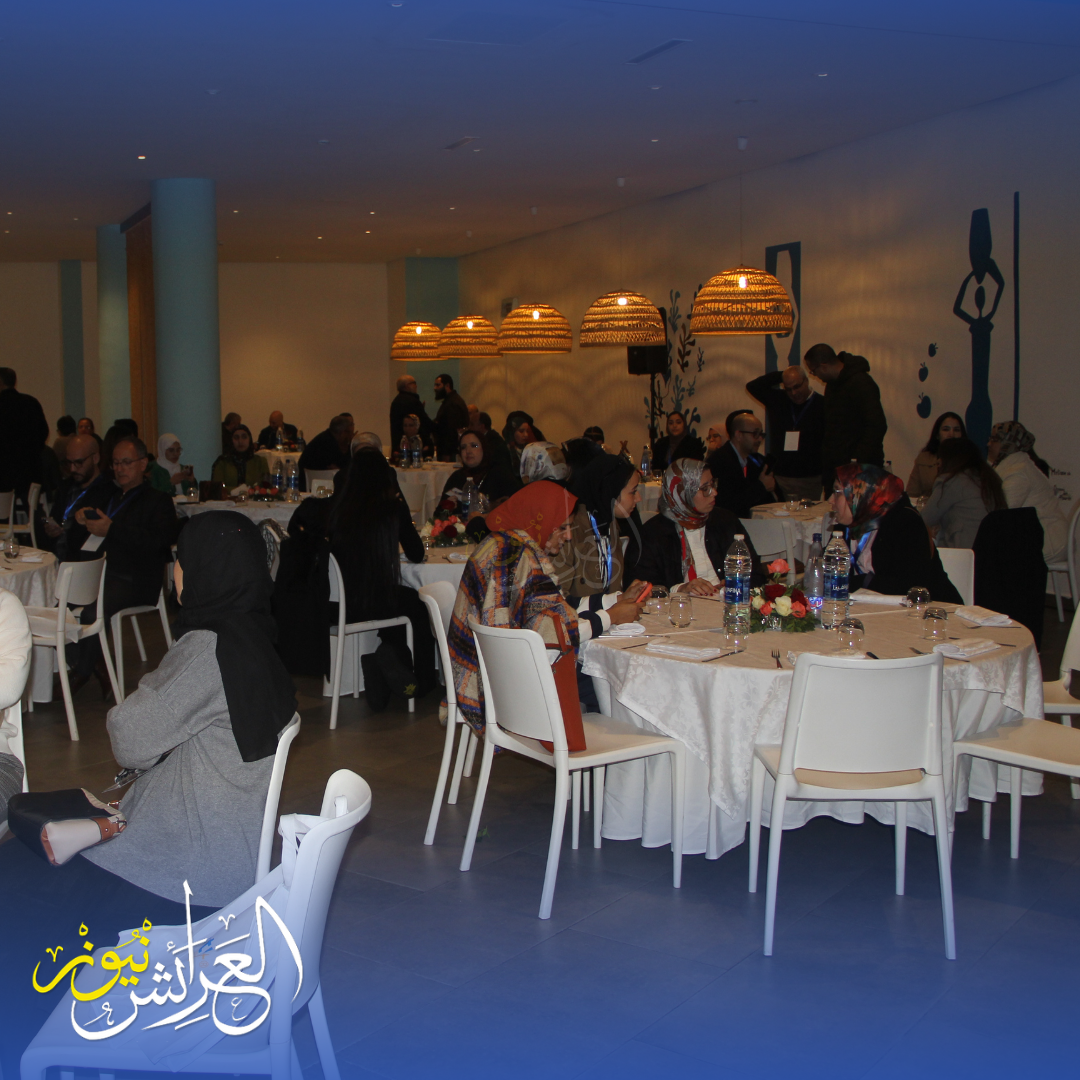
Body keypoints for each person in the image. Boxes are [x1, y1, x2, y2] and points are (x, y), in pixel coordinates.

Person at [81, 509, 297, 904]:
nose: (175, 569)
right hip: (230, 854)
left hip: (182, 869)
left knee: (25, 851)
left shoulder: (209, 649)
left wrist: (154, 684)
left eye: (180, 559)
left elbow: (128, 740)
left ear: (202, 569)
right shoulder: (255, 633)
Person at [447, 481, 580, 733]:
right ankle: (573, 744)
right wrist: (607, 618)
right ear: (539, 519)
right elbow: (554, 630)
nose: (569, 536)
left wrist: (607, 605)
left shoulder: (502, 543)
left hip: (476, 665)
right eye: (562, 527)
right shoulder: (521, 557)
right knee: (596, 677)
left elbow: (547, 606)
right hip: (501, 686)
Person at [68, 437, 178, 693]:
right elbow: (81, 542)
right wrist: (81, 520)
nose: (120, 469)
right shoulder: (109, 496)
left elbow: (158, 542)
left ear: (143, 464)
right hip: (103, 574)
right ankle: (95, 663)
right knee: (60, 609)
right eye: (116, 463)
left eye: (126, 462)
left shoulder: (158, 500)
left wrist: (112, 529)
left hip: (138, 578)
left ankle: (81, 673)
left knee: (91, 612)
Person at [329, 448, 436, 706]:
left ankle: (385, 670)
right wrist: (401, 507)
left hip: (338, 604)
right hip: (374, 600)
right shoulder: (391, 509)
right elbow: (417, 553)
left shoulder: (338, 510)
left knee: (399, 603)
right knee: (418, 604)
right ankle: (422, 682)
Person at [831, 463, 960, 601]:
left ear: (860, 494)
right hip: (872, 606)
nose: (830, 500)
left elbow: (909, 585)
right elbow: (831, 572)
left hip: (929, 607)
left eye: (837, 492)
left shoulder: (905, 522)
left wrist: (862, 581)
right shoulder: (845, 526)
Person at [634, 459, 765, 595]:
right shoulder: (653, 533)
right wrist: (680, 589)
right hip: (679, 605)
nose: (714, 492)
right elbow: (641, 588)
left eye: (713, 484)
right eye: (705, 489)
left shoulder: (725, 521)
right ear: (683, 492)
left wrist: (736, 583)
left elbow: (757, 574)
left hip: (726, 601)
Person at [553, 453, 648, 633]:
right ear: (610, 490)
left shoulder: (609, 523)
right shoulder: (569, 531)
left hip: (601, 625)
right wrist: (612, 612)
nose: (638, 499)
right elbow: (558, 605)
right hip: (577, 630)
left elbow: (607, 585)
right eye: (633, 491)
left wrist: (621, 598)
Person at [804, 343, 887, 491]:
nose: (814, 375)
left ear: (824, 366)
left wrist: (858, 460)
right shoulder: (832, 386)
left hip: (859, 469)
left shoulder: (861, 383)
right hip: (837, 466)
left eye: (813, 371)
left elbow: (876, 425)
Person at [988, 420, 1068, 563]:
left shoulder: (1018, 472)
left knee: (992, 552)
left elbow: (1000, 515)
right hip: (1044, 536)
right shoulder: (1018, 466)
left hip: (1049, 540)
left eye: (994, 439)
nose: (988, 444)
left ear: (1007, 443)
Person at [745, 365, 825, 502]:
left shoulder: (822, 404)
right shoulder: (778, 399)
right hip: (780, 475)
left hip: (810, 477)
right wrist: (783, 375)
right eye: (788, 389)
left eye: (797, 386)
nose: (794, 393)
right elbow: (753, 386)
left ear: (806, 381)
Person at [920, 436, 1005, 549]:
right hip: (991, 550)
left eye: (941, 457)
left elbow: (924, 520)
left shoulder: (952, 482)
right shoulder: (988, 480)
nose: (938, 461)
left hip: (962, 551)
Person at [41, 433, 108, 559]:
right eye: (69, 462)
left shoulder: (107, 491)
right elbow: (55, 518)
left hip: (82, 560)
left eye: (78, 462)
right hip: (55, 556)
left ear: (95, 458)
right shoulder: (66, 487)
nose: (72, 469)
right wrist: (50, 530)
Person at [706, 410, 778, 518]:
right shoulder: (720, 461)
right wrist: (762, 487)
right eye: (755, 434)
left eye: (761, 434)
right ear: (739, 435)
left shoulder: (751, 461)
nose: (760, 439)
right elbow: (726, 505)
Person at [439, 429, 522, 512]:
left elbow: (519, 506)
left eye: (474, 446)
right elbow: (437, 515)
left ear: (484, 448)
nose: (468, 451)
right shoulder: (457, 477)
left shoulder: (499, 474)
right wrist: (447, 508)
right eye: (463, 447)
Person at [0, 366, 49, 502]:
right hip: (30, 472)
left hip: (4, 474)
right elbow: (43, 432)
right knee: (31, 509)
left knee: (4, 509)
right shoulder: (31, 402)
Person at [907, 412, 966, 497]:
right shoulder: (924, 458)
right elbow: (912, 494)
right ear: (937, 435)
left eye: (956, 430)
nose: (951, 434)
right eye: (946, 429)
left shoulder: (970, 460)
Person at [298, 413, 354, 488]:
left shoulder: (322, 439)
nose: (350, 436)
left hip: (308, 483)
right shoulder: (330, 444)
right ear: (343, 432)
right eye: (349, 433)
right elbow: (344, 467)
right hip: (322, 486)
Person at [211, 424, 270, 488]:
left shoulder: (260, 462)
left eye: (244, 437)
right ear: (231, 440)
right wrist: (240, 491)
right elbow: (217, 488)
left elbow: (266, 487)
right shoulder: (222, 462)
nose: (240, 441)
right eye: (236, 438)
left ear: (249, 439)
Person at [390, 375, 435, 451]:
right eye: (414, 383)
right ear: (407, 386)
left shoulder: (396, 401)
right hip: (414, 447)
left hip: (399, 446)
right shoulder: (412, 401)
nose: (416, 386)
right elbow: (424, 422)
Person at [433, 372, 469, 461]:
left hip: (449, 452)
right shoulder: (452, 401)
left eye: (438, 385)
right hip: (449, 450)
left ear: (447, 385)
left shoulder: (452, 404)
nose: (435, 388)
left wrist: (447, 453)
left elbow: (451, 431)